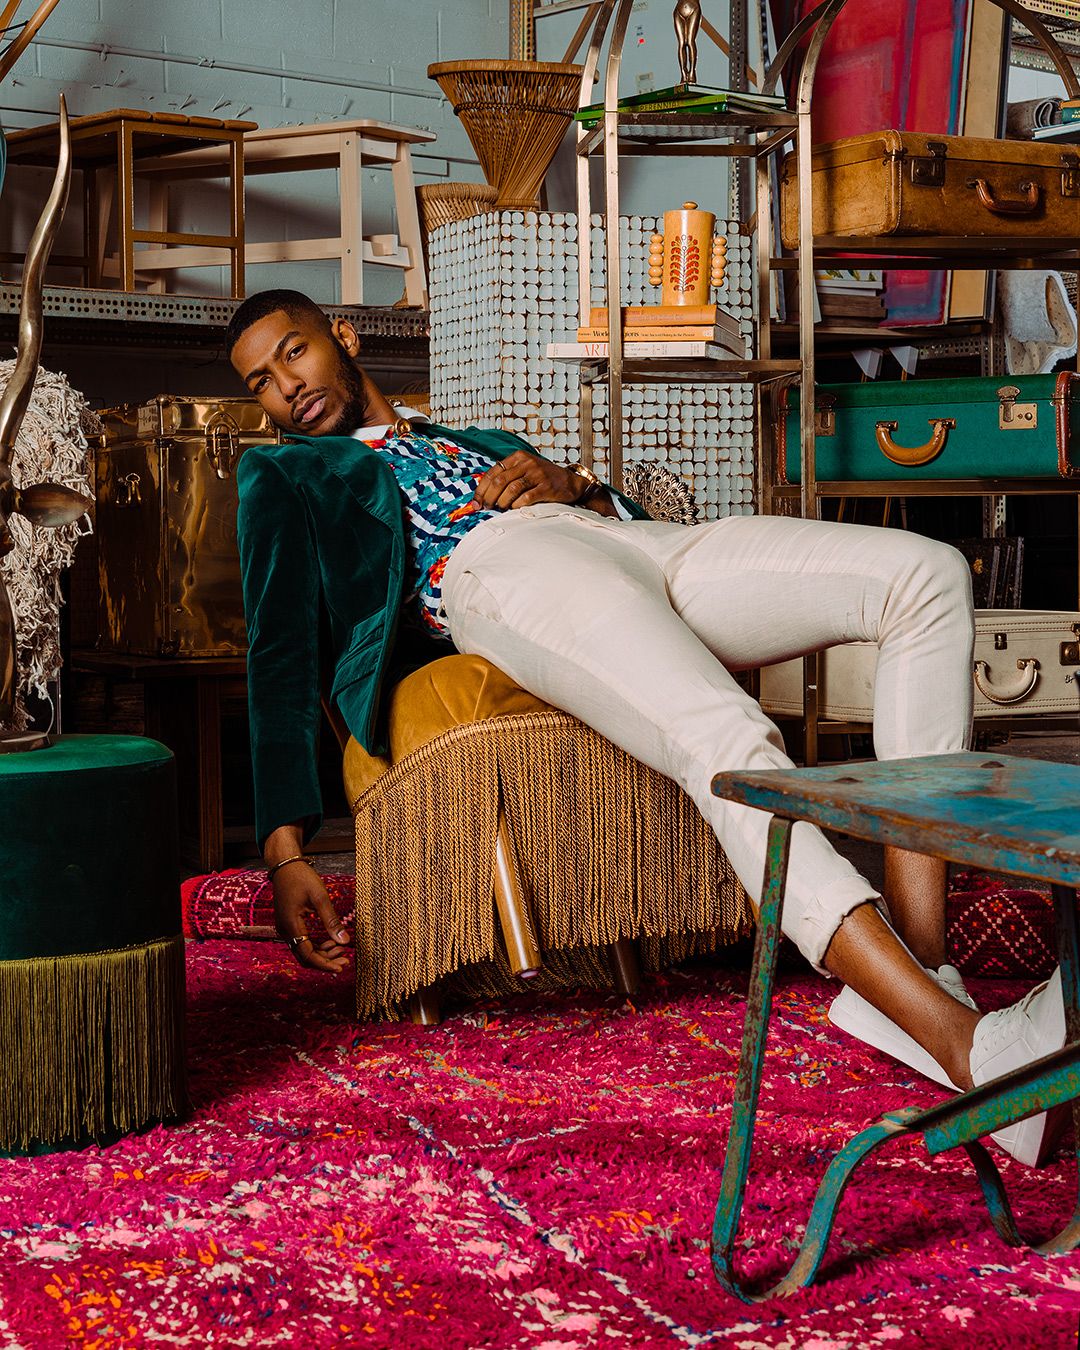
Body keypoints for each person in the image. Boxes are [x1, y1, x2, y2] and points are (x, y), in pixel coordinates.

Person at [227, 288, 1066, 1168]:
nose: (287, 385)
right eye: (261, 381)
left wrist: (577, 485)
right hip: (497, 569)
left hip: (628, 540)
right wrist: (284, 848)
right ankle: (966, 1049)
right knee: (726, 735)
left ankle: (922, 972)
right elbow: (277, 648)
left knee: (924, 576)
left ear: (343, 336)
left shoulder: (473, 439)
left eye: (295, 351)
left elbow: (606, 510)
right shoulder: (285, 476)